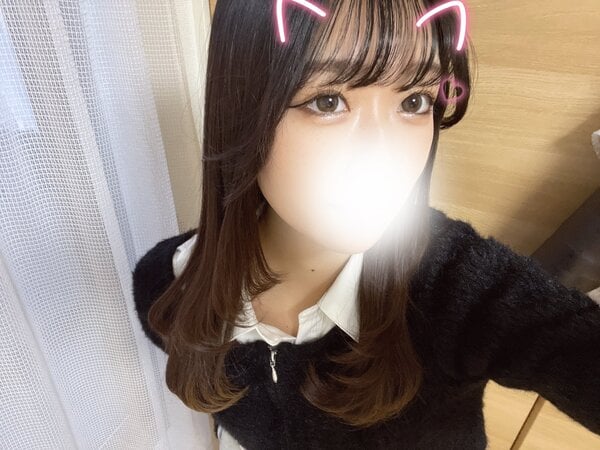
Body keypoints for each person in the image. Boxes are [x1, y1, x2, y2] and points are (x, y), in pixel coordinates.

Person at [131, 0, 600, 448]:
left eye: (414, 101)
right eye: (327, 101)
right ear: (239, 110)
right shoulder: (166, 289)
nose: (386, 154)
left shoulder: (455, 284)